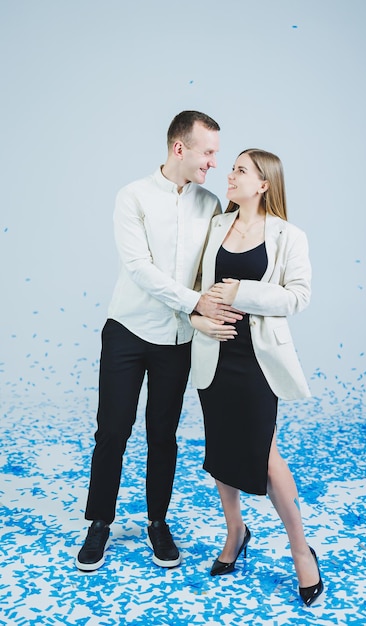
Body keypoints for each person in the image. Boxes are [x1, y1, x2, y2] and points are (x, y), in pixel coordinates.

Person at [75, 110, 243, 572]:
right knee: (112, 430)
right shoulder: (132, 196)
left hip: (178, 339)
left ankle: (157, 522)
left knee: (162, 435)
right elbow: (139, 268)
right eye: (208, 152)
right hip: (127, 330)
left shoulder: (211, 205)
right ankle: (99, 524)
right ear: (179, 148)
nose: (214, 162)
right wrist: (196, 304)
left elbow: (228, 257)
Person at [190, 148, 324, 606]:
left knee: (264, 456)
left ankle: (300, 550)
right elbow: (193, 290)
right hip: (215, 354)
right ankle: (235, 533)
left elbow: (298, 297)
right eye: (231, 168)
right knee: (220, 447)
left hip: (259, 360)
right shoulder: (213, 227)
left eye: (240, 170)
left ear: (263, 184)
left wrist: (242, 292)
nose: (230, 175)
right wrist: (198, 319)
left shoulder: (290, 236)